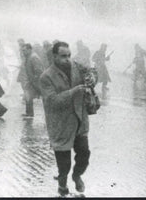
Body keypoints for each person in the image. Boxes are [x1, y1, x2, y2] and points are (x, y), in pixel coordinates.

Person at [40, 41, 95, 196]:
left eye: (69, 55)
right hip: (61, 124)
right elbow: (51, 101)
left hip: (79, 120)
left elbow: (92, 72)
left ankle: (77, 175)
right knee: (64, 164)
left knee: (84, 154)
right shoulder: (46, 77)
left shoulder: (76, 67)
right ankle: (62, 185)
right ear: (54, 56)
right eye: (63, 56)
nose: (67, 59)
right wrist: (73, 92)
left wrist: (92, 78)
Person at [22, 43, 44, 118]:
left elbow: (39, 70)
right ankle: (29, 113)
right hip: (31, 81)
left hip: (36, 82)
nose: (23, 52)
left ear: (30, 49)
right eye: (23, 51)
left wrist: (34, 79)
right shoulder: (29, 57)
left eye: (25, 50)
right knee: (28, 96)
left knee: (45, 97)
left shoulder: (33, 57)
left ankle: (53, 112)